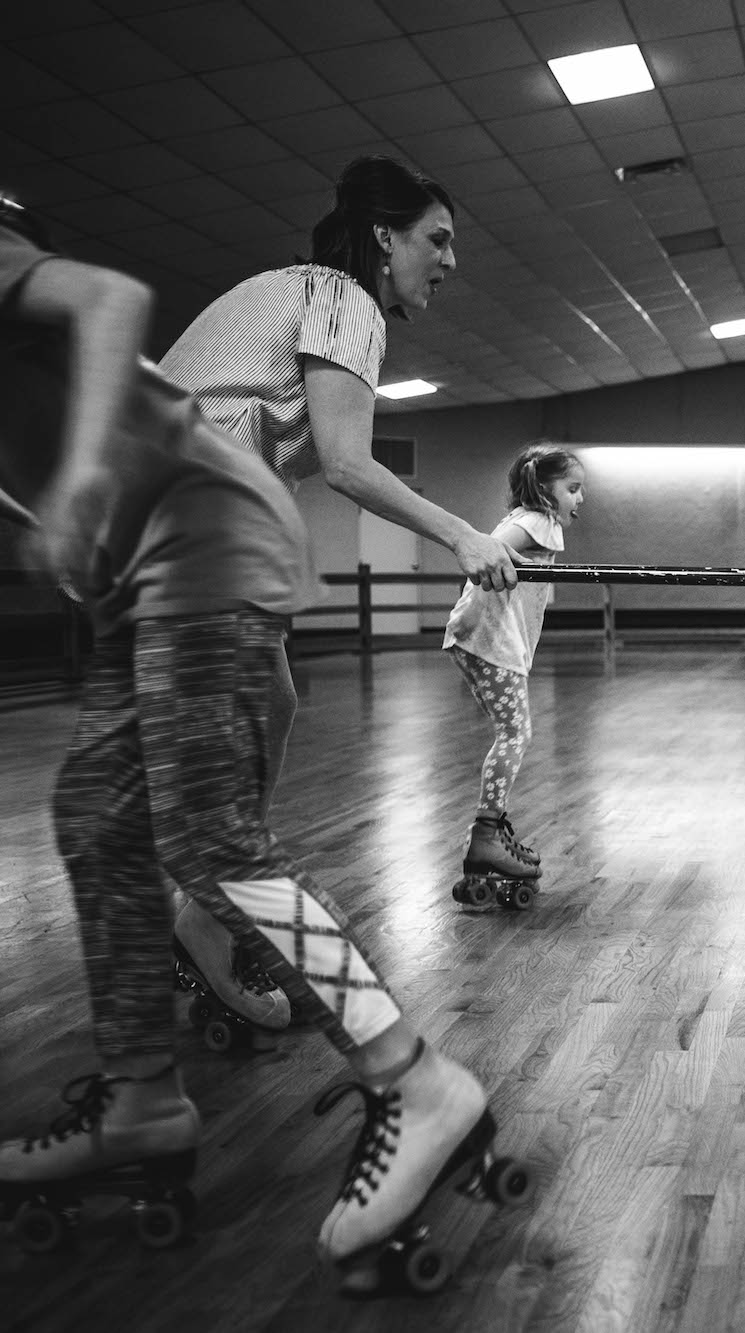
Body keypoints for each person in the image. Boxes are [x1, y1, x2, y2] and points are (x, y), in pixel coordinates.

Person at [0, 202, 506, 1287]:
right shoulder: (311, 298)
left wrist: (87, 479)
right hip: (141, 565)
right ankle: (139, 1093)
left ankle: (413, 1078)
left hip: (194, 536)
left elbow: (108, 296)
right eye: (439, 240)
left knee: (210, 835)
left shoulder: (337, 297)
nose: (450, 264)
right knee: (97, 819)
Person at [157, 156, 516, 1025]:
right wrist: (464, 533)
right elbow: (350, 464)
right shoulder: (343, 298)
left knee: (260, 706)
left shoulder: (292, 290)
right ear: (383, 236)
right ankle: (208, 916)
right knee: (240, 720)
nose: (450, 260)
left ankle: (199, 909)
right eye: (438, 239)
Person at [442, 443, 585, 890]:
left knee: (514, 731)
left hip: (479, 635)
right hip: (490, 636)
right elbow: (490, 552)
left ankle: (490, 831)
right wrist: (516, 562)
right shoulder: (538, 519)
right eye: (573, 489)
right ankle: (486, 835)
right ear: (545, 488)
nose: (579, 499)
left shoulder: (527, 518)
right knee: (516, 733)